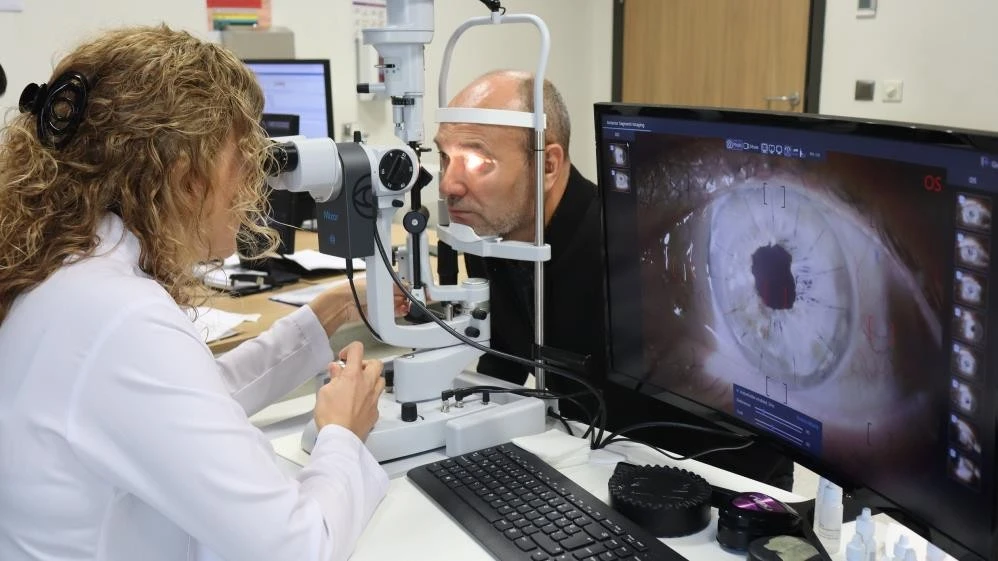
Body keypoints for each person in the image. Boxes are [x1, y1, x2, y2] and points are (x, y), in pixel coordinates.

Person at [0, 25, 400, 561]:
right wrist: (342, 434)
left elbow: (187, 402)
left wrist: (324, 314)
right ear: (187, 180)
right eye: (243, 159)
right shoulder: (120, 317)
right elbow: (299, 547)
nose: (255, 182)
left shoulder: (69, 269)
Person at [434, 69, 795, 491]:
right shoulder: (494, 237)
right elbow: (503, 363)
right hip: (587, 466)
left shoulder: (635, 251)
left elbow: (747, 431)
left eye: (477, 161)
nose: (448, 184)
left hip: (693, 486)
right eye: (444, 158)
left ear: (548, 165)